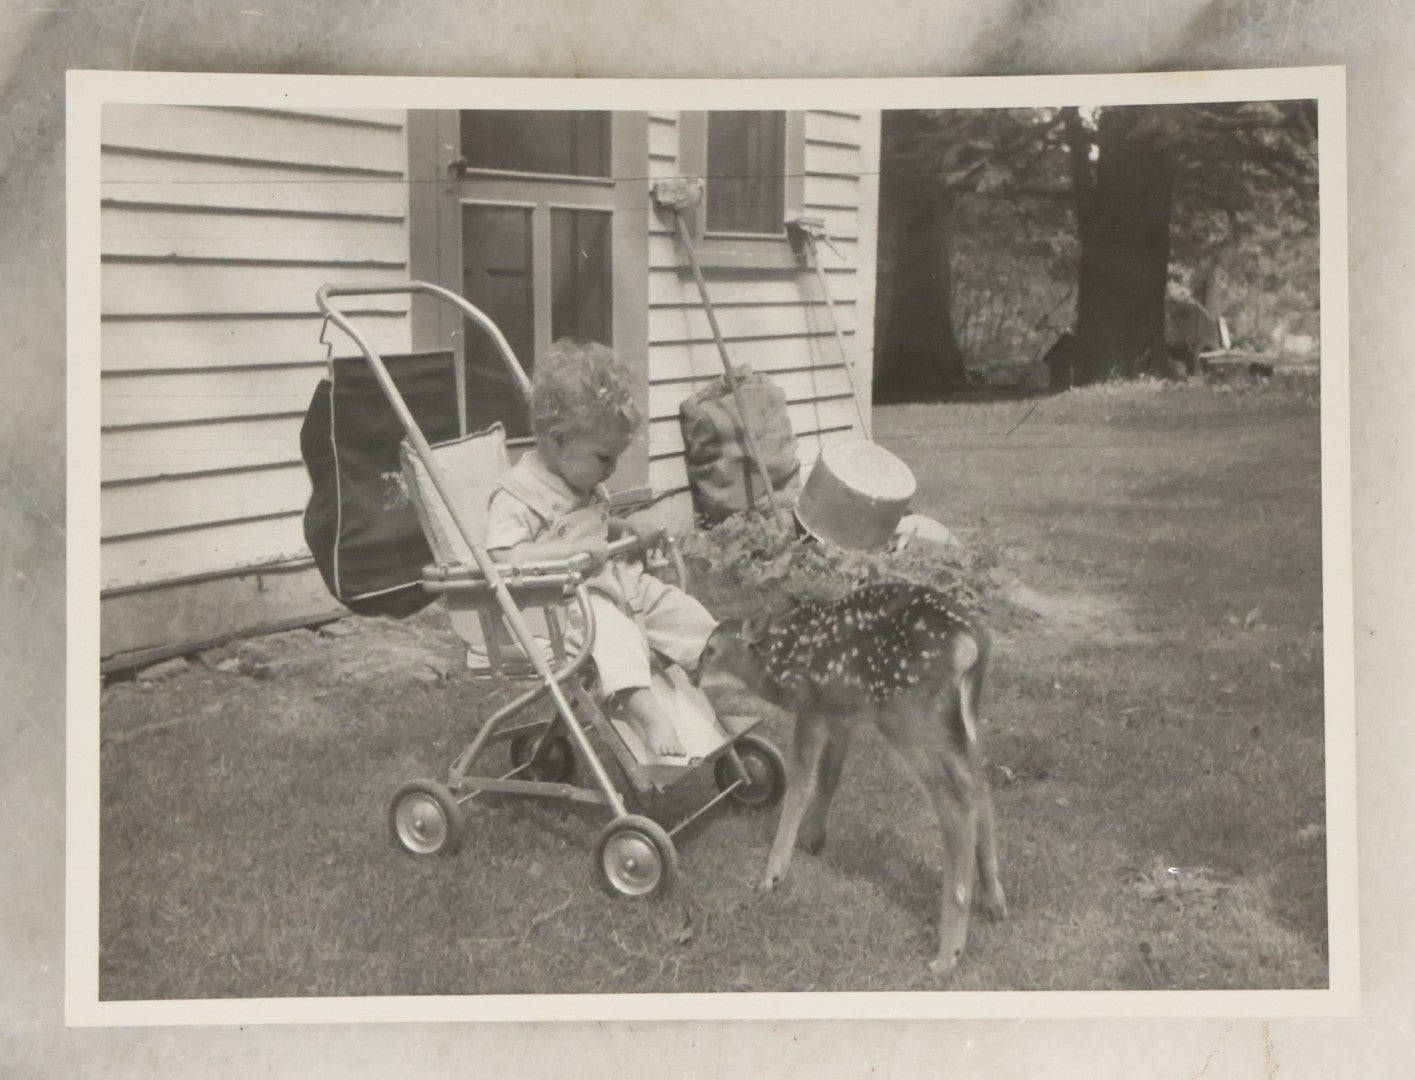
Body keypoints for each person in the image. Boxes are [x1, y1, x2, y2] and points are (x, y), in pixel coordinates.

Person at [484, 340, 719, 761]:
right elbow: (503, 559)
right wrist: (573, 549)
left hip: (612, 586)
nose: (611, 470)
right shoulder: (517, 495)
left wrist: (619, 528)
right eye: (604, 457)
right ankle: (646, 713)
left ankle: (712, 660)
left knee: (673, 605)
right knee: (617, 636)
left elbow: (590, 524)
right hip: (558, 609)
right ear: (557, 440)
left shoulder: (580, 480)